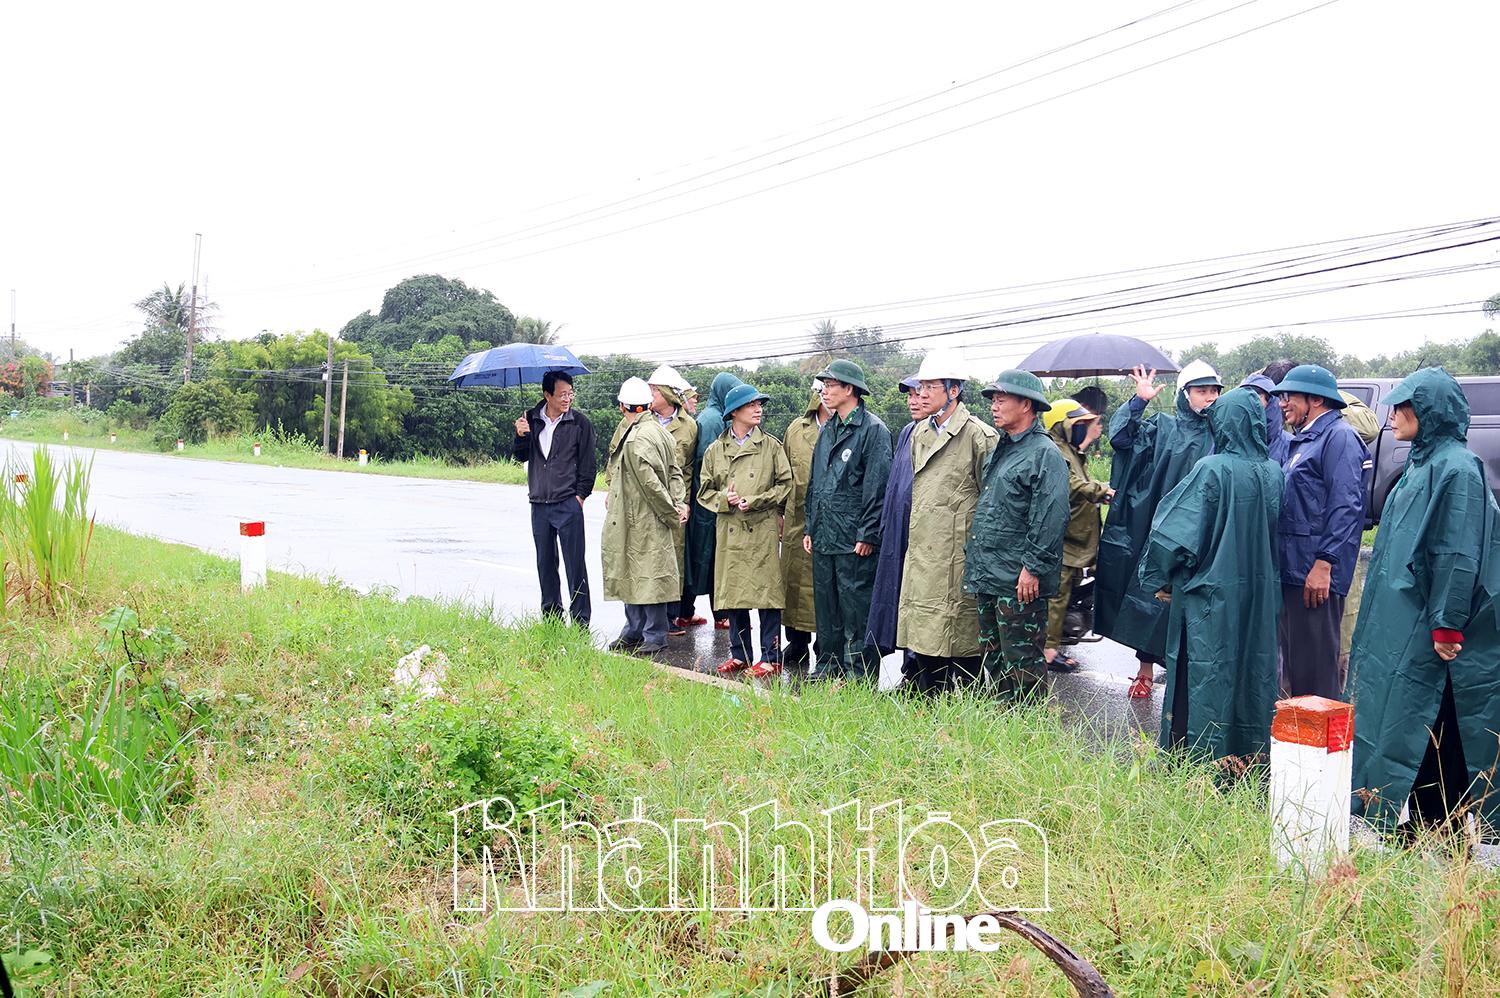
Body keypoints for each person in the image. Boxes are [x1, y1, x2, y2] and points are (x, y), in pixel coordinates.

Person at [1348, 367, 1500, 838]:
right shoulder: (1419, 464)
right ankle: (1417, 820)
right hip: (1402, 620)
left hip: (1433, 627)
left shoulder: (1457, 468)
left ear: (1429, 411)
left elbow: (1457, 552)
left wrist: (1448, 624)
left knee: (1436, 720)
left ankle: (1445, 831)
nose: (1391, 416)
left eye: (1402, 406)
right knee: (1404, 714)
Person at [1137, 388, 1281, 763]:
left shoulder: (1213, 469)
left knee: (1203, 673)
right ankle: (1249, 762)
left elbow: (1174, 534)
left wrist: (1161, 577)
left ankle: (1198, 765)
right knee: (1251, 672)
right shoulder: (1274, 473)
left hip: (1210, 597)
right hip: (1259, 597)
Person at [1095, 360, 1221, 700]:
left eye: (1213, 391)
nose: (1208, 398)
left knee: (1195, 604)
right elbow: (1121, 438)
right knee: (1152, 597)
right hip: (1161, 528)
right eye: (1201, 391)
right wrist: (1140, 401)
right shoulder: (1163, 427)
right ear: (1185, 394)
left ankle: (1190, 681)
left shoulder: (1222, 433)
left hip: (1206, 531)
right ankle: (1145, 670)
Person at [962, 370, 1067, 701]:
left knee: (1022, 665)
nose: (994, 405)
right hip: (990, 573)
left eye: (1002, 398)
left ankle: (1027, 734)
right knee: (992, 662)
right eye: (993, 399)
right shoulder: (1002, 448)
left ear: (1027, 404)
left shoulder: (1043, 452)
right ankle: (997, 732)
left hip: (1018, 578)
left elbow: (1051, 515)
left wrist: (1033, 567)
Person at [897, 353, 998, 693]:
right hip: (923, 549)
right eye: (920, 386)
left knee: (962, 633)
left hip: (958, 555)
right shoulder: (918, 433)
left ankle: (964, 706)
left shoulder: (979, 436)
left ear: (954, 391)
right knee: (923, 629)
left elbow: (991, 502)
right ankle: (928, 698)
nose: (922, 394)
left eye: (930, 387)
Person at [1270, 365, 1370, 699]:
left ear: (1315, 399)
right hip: (1295, 572)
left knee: (1316, 677)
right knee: (1296, 671)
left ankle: (1319, 750)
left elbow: (1346, 506)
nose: (1282, 404)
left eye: (1288, 397)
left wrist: (1324, 564)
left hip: (1316, 576)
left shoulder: (1339, 437)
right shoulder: (1304, 439)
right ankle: (1295, 747)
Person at [803, 358, 892, 680]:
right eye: (824, 386)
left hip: (853, 536)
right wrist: (810, 525)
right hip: (826, 533)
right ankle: (828, 665)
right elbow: (816, 483)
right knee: (826, 606)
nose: (824, 392)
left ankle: (859, 672)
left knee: (856, 607)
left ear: (849, 389)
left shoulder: (873, 430)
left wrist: (868, 534)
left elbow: (878, 488)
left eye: (831, 385)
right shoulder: (829, 428)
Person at [698, 383, 793, 677]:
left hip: (761, 529)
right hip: (730, 529)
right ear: (734, 412)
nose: (758, 409)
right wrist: (725, 500)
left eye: (759, 405)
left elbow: (786, 485)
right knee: (733, 595)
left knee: (766, 595)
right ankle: (739, 655)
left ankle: (770, 657)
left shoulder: (771, 446)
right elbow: (704, 491)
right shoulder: (716, 449)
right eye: (751, 405)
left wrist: (756, 501)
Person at [603, 377, 689, 655]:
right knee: (637, 572)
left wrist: (669, 511)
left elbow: (650, 482)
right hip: (641, 512)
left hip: (642, 514)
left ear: (621, 406)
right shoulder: (658, 430)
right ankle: (635, 630)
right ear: (647, 405)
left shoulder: (637, 437)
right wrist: (679, 502)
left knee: (647, 574)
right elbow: (675, 471)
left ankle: (652, 634)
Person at [512, 370, 597, 627]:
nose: (567, 399)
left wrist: (579, 497)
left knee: (575, 567)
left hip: (567, 503)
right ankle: (551, 619)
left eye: (570, 394)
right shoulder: (530, 419)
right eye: (562, 394)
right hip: (539, 503)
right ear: (547, 394)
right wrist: (521, 435)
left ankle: (581, 622)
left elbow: (588, 466)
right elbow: (521, 456)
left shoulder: (580, 423)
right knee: (545, 565)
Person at [1041, 399, 1112, 672]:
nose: (1085, 429)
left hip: (1074, 537)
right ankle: (1047, 652)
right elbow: (1069, 484)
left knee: (1063, 594)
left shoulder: (1069, 450)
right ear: (1064, 426)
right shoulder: (1055, 451)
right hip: (1063, 538)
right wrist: (1100, 489)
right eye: (1079, 424)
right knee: (1056, 596)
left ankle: (1053, 644)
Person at [865, 374, 926, 677]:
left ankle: (918, 669)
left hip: (922, 535)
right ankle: (906, 667)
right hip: (897, 532)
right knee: (897, 600)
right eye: (910, 396)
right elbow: (894, 485)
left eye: (919, 394)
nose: (913, 401)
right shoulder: (906, 431)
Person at [683, 372, 744, 631]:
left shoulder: (716, 416)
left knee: (702, 558)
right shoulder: (711, 420)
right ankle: (720, 616)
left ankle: (685, 611)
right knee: (709, 559)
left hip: (710, 502)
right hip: (709, 504)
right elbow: (711, 465)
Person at [647, 365, 700, 637]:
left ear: (667, 394)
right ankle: (649, 616)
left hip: (674, 500)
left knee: (673, 556)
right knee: (648, 556)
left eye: (654, 390)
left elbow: (689, 469)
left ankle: (671, 615)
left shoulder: (689, 426)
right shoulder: (644, 420)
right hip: (647, 499)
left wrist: (685, 502)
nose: (650, 394)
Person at [781, 380, 831, 666]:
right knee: (794, 583)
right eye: (822, 389)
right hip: (797, 519)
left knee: (824, 589)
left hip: (830, 522)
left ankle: (825, 647)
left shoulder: (846, 428)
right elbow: (784, 474)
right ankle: (796, 643)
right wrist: (779, 513)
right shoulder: (796, 430)